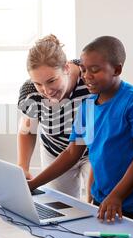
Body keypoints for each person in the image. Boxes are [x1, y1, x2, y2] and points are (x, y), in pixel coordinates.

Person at [28, 36, 133, 222]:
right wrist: (33, 184)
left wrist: (117, 196)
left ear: (117, 69)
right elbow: (72, 152)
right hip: (103, 200)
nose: (86, 76)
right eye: (82, 70)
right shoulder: (87, 105)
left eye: (94, 70)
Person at [18, 34, 91, 199]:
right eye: (38, 83)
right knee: (61, 205)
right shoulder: (31, 92)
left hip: (91, 151)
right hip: (55, 151)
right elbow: (28, 130)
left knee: (96, 200)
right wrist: (23, 166)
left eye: (52, 81)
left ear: (66, 68)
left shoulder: (90, 80)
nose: (47, 91)